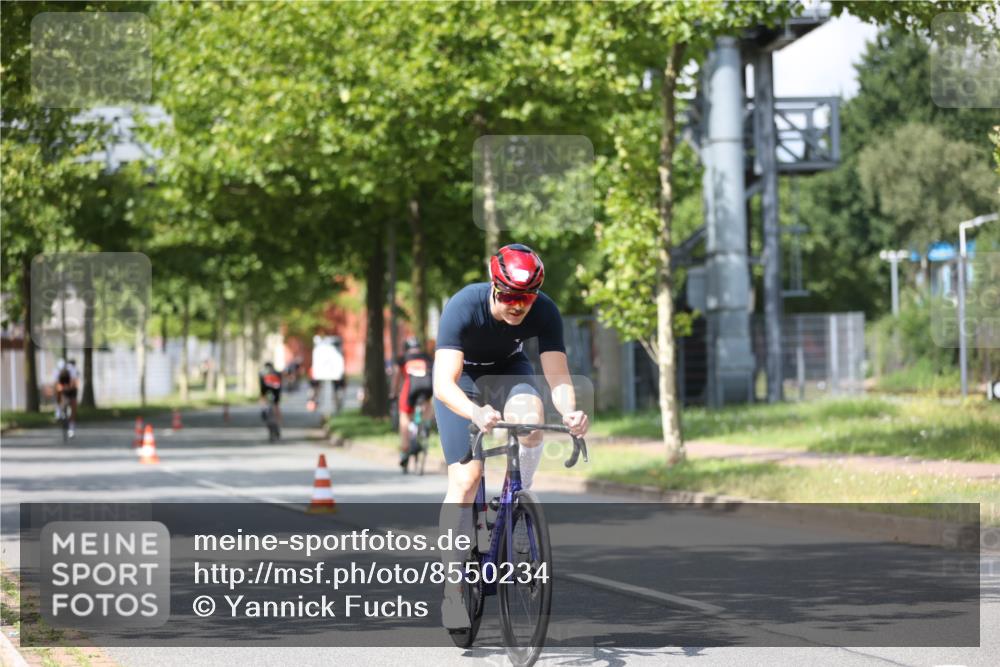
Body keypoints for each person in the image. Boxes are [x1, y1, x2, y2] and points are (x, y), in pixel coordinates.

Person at [432, 243, 589, 629]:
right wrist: (474, 411)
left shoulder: (545, 311)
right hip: (462, 380)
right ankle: (453, 591)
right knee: (467, 480)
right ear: (493, 287)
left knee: (532, 420)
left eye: (526, 298)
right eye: (509, 297)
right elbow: (441, 383)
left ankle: (518, 504)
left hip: (508, 369)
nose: (518, 306)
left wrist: (569, 410)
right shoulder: (464, 305)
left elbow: (557, 375)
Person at [392, 337, 434, 469]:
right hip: (427, 387)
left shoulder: (403, 358)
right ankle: (426, 424)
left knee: (404, 416)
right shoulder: (426, 357)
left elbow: (396, 378)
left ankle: (404, 451)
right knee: (427, 403)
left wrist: (393, 392)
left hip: (411, 388)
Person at [53, 359, 79, 438]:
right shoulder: (56, 372)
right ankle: (58, 409)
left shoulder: (72, 370)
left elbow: (74, 383)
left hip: (72, 388)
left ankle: (71, 427)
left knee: (73, 405)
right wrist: (61, 389)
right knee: (58, 394)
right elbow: (56, 385)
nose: (62, 372)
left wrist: (69, 388)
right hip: (63, 388)